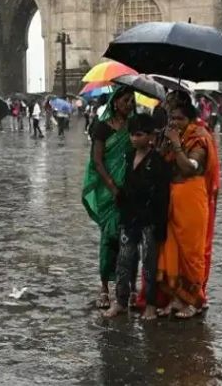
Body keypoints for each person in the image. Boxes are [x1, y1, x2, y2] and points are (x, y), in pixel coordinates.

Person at [104, 113, 170, 319]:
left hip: (149, 220)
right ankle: (121, 301)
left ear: (150, 136)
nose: (134, 138)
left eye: (139, 134)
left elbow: (162, 196)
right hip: (129, 218)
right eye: (131, 134)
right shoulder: (128, 157)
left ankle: (150, 304)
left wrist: (160, 226)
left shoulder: (158, 162)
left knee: (149, 264)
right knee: (124, 261)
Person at [154, 100, 212, 319]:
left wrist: (176, 144)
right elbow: (162, 164)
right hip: (173, 199)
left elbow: (189, 167)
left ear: (190, 119)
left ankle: (196, 301)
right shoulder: (172, 137)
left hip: (192, 199)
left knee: (191, 252)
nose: (176, 122)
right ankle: (177, 299)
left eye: (180, 118)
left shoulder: (200, 138)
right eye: (173, 118)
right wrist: (164, 147)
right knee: (173, 251)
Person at [82, 87, 135, 310]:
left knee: (131, 239)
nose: (130, 104)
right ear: (115, 103)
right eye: (125, 100)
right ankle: (104, 287)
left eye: (132, 100)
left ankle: (130, 287)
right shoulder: (102, 128)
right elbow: (97, 160)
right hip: (109, 190)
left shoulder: (134, 126)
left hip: (130, 189)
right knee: (109, 238)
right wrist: (112, 186)